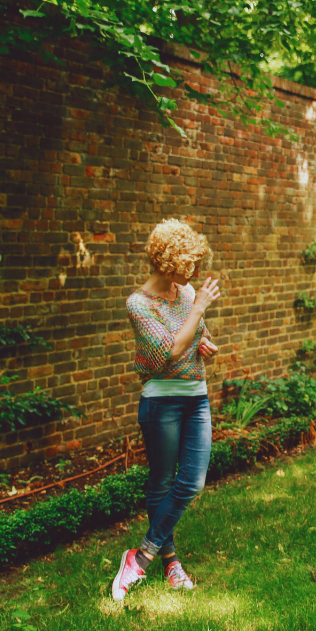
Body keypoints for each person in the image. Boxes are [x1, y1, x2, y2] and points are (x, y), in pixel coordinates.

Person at [111, 219, 221, 600]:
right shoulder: (139, 304)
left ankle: (139, 557)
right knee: (162, 481)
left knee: (192, 482)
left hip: (196, 396)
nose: (191, 270)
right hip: (162, 401)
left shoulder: (186, 291)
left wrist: (208, 344)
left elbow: (197, 335)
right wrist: (198, 311)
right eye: (186, 262)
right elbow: (168, 352)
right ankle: (170, 561)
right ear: (166, 261)